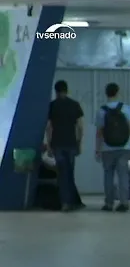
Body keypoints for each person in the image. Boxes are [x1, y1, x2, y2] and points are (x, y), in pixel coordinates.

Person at [95, 82, 130, 212]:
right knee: (123, 175)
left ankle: (109, 203)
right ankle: (124, 203)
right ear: (118, 92)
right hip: (124, 147)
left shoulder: (101, 111)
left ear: (106, 94)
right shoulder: (126, 109)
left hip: (107, 148)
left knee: (108, 175)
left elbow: (99, 132)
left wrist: (97, 149)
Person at [45, 80, 84, 212]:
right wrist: (79, 142)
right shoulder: (74, 104)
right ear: (67, 90)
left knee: (62, 174)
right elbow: (80, 126)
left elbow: (49, 127)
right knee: (70, 173)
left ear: (56, 91)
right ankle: (73, 202)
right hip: (71, 144)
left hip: (57, 144)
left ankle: (65, 203)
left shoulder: (52, 105)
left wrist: (49, 144)